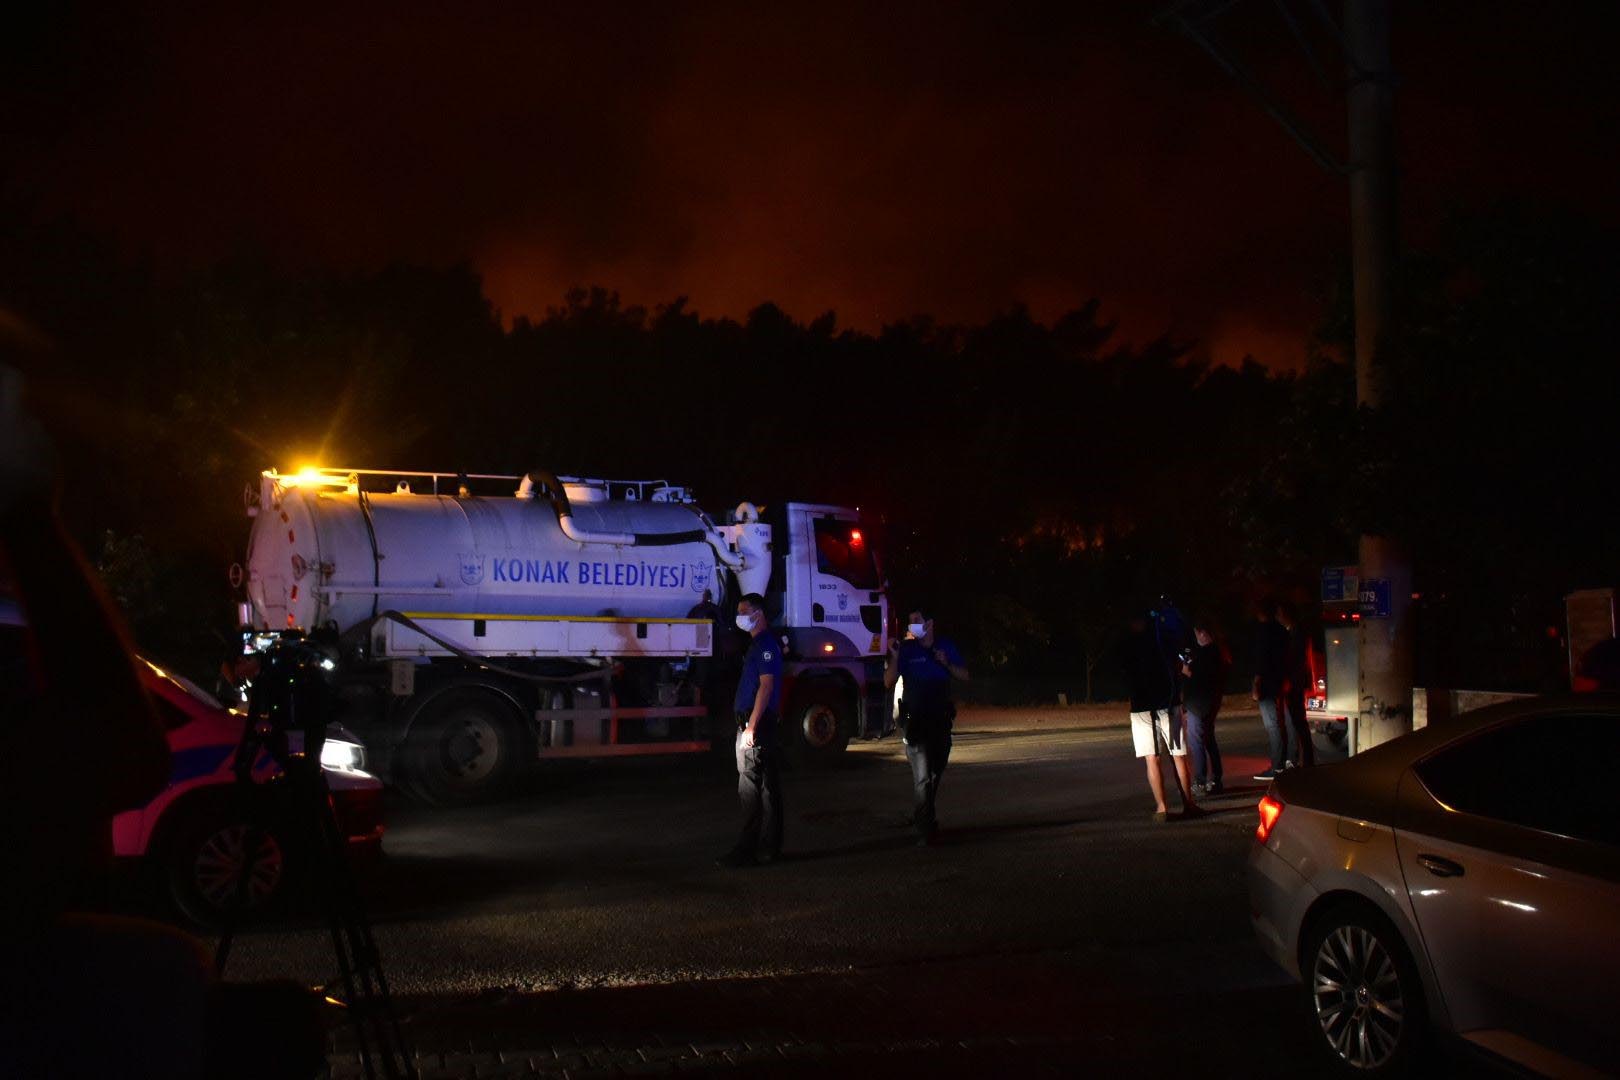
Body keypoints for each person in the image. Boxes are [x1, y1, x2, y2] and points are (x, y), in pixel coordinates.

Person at [884, 607, 968, 845]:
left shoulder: (945, 646)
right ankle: (925, 830)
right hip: (916, 724)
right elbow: (888, 681)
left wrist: (946, 663)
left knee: (934, 772)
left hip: (939, 721)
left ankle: (923, 815)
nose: (912, 625)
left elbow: (965, 675)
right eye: (910, 621)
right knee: (922, 778)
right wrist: (895, 656)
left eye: (916, 620)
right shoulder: (906, 651)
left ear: (929, 623)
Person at [717, 593, 784, 868]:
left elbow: (766, 686)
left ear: (759, 614)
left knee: (750, 789)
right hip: (756, 723)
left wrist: (751, 726)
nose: (740, 617)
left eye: (744, 611)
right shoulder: (758, 645)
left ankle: (747, 850)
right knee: (767, 789)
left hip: (755, 725)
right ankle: (768, 848)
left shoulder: (765, 644)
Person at [1124, 613, 1200, 821]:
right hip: (1168, 703)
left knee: (1152, 758)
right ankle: (1188, 804)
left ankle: (1162, 808)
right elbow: (1179, 662)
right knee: (1178, 756)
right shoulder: (1162, 638)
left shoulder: (1128, 643)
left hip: (1141, 707)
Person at [1180, 618, 1226, 797]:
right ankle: (1216, 779)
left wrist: (1186, 671)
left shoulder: (1207, 653)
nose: (1196, 637)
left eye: (1196, 634)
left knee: (1197, 742)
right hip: (1208, 704)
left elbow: (1197, 678)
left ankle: (1200, 781)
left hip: (1199, 705)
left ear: (1202, 633)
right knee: (1208, 740)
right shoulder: (1215, 652)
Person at [1251, 600, 1290, 781]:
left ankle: (1277, 766)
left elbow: (1261, 660)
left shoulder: (1264, 631)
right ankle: (1282, 761)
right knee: (1278, 723)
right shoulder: (1280, 630)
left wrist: (1256, 683)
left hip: (1268, 685)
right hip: (1278, 682)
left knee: (1272, 725)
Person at [1275, 601, 1315, 768]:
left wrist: (1289, 681)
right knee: (1297, 721)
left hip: (1294, 683)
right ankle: (1302, 758)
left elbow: (1295, 660)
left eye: (1279, 613)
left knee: (1298, 721)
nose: (1277, 617)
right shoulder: (1296, 632)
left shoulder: (1295, 633)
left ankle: (1305, 759)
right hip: (1296, 682)